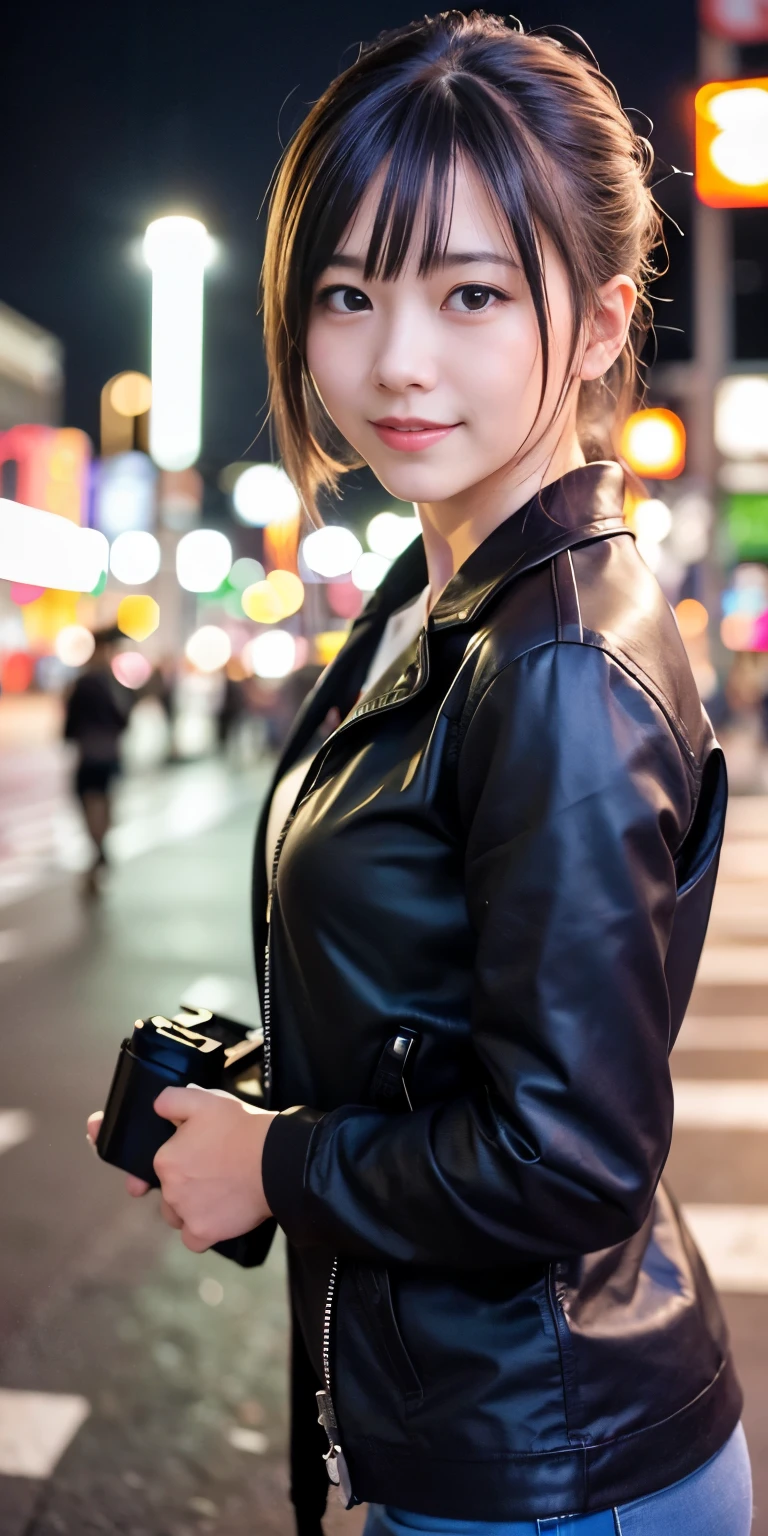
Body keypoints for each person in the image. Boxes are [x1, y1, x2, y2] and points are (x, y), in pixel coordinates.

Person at [88, 14, 751, 1534]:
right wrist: (260, 1116)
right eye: (347, 292)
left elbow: (568, 1156)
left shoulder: (556, 660)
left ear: (595, 325)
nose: (396, 359)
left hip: (554, 1475)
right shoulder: (448, 583)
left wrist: (281, 1166)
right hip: (501, 1435)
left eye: (468, 293)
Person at [64, 628, 131, 893]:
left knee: (91, 804)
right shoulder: (113, 683)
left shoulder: (83, 683)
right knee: (102, 804)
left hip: (90, 755)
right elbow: (123, 718)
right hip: (109, 754)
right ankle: (100, 850)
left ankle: (98, 850)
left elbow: (69, 725)